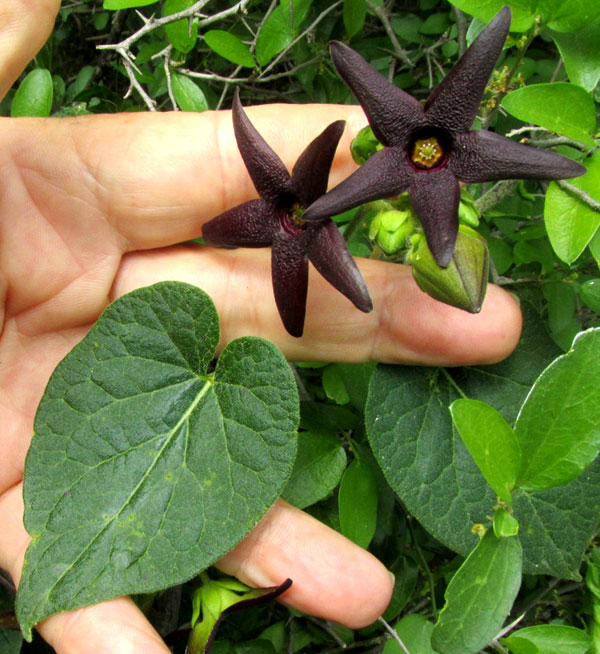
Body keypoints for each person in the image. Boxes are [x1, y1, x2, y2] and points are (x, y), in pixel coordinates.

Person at [0, 1, 522, 652]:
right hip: (335, 195)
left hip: (377, 190)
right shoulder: (296, 216)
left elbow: (322, 208)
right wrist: (329, 206)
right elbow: (278, 214)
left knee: (373, 290)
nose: (422, 149)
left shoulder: (370, 187)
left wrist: (386, 221)